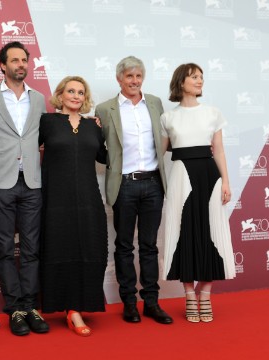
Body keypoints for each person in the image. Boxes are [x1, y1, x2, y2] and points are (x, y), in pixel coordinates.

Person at [0, 41, 50, 336]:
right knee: (6, 249)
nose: (21, 64)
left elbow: (49, 132)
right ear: (2, 65)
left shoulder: (40, 99)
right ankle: (15, 309)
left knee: (32, 249)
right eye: (15, 60)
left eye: (24, 60)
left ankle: (31, 305)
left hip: (32, 181)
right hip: (0, 182)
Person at [94, 56, 173, 325]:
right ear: (119, 79)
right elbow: (97, 148)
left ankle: (151, 302)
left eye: (138, 76)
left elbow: (166, 138)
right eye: (129, 76)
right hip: (123, 185)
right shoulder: (105, 109)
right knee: (124, 245)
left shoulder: (154, 103)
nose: (134, 81)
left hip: (153, 183)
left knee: (149, 246)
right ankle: (129, 302)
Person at [160, 63, 236, 323]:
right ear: (181, 82)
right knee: (184, 232)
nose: (199, 81)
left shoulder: (213, 113)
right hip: (181, 176)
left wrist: (226, 181)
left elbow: (220, 150)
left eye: (201, 77)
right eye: (194, 77)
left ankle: (205, 294)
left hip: (209, 176)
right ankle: (189, 295)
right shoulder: (168, 118)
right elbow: (158, 152)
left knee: (210, 231)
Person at [39, 76, 107, 336]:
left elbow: (104, 157)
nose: (76, 96)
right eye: (71, 91)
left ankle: (80, 306)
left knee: (89, 246)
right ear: (60, 94)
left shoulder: (93, 127)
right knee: (60, 248)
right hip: (56, 198)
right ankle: (69, 309)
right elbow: (25, 148)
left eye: (81, 92)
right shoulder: (47, 122)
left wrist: (106, 129)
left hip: (88, 199)